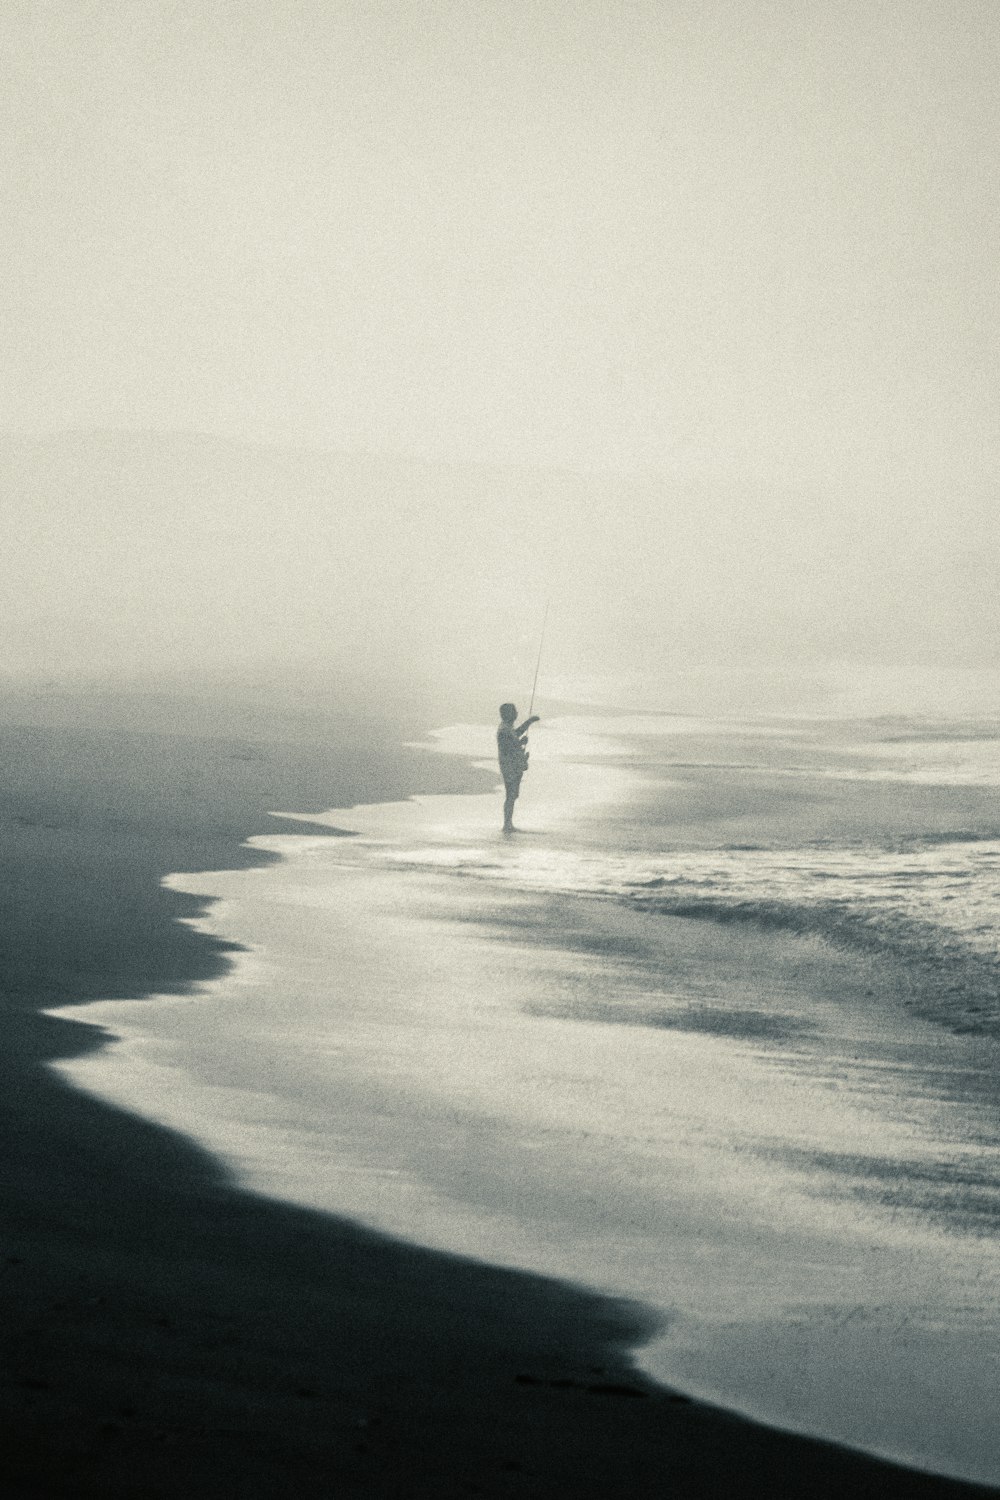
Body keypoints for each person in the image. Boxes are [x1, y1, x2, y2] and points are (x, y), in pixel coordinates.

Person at [497, 702, 539, 832]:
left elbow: (516, 734)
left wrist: (529, 722)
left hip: (512, 765)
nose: (516, 713)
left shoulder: (507, 727)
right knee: (511, 795)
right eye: (514, 711)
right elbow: (508, 747)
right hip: (510, 766)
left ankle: (508, 823)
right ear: (508, 714)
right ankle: (507, 824)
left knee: (513, 795)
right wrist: (520, 743)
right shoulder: (504, 729)